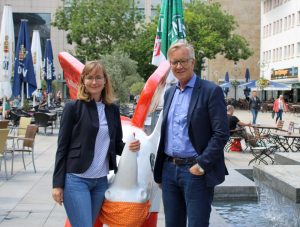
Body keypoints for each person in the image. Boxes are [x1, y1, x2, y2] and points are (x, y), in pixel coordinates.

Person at [52, 61, 140, 227]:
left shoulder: (112, 109)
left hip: (100, 181)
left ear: (105, 80)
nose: (94, 82)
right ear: (83, 80)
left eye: (98, 77)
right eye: (90, 77)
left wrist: (131, 146)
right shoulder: (73, 107)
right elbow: (62, 148)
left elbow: (116, 144)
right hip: (76, 180)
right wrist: (57, 184)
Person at [153, 42, 229, 227]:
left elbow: (221, 133)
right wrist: (162, 170)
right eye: (174, 62)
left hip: (196, 171)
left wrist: (201, 165)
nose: (179, 66)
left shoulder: (211, 91)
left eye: (183, 61)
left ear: (193, 62)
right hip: (169, 170)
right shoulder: (170, 93)